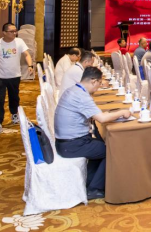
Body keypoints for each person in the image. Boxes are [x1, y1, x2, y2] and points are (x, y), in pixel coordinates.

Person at [55, 66, 132, 200]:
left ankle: (90, 182)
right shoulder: (82, 96)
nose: (98, 88)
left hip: (66, 142)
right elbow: (102, 119)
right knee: (112, 150)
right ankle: (94, 189)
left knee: (100, 146)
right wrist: (122, 112)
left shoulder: (73, 90)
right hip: (72, 144)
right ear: (93, 81)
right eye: (99, 84)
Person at [0, 23, 34, 135]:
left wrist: (30, 65)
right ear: (4, 32)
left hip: (14, 75)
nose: (14, 33)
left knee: (14, 97)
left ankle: (14, 115)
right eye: (12, 31)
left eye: (15, 31)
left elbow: (27, 54)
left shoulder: (19, 42)